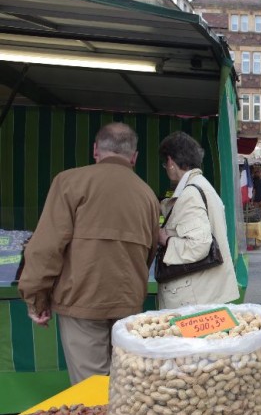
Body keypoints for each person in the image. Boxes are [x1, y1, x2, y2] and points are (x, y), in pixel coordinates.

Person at [18, 123, 160, 384]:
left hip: (81, 300)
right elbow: (149, 253)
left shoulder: (69, 182)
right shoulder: (148, 195)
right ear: (134, 157)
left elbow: (47, 247)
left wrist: (37, 298)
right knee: (125, 386)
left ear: (95, 150)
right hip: (128, 304)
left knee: (91, 390)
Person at [157, 132, 239, 308]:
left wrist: (166, 240)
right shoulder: (201, 185)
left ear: (170, 161)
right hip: (204, 290)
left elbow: (198, 246)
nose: (166, 168)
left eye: (165, 164)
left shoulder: (190, 193)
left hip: (194, 295)